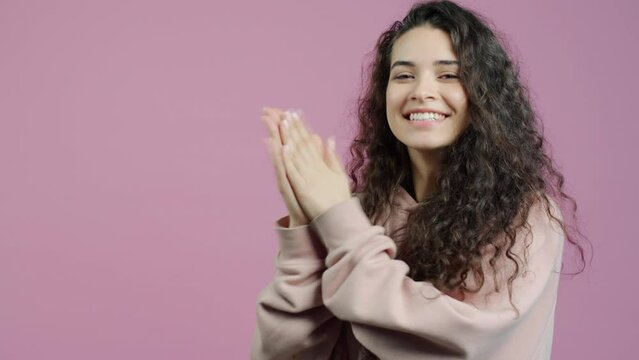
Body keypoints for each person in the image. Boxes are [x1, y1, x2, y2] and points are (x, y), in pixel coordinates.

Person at [251, 0, 587, 359]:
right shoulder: (359, 214)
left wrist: (337, 219)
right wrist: (305, 232)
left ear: (485, 96)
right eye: (404, 75)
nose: (421, 91)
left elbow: (463, 346)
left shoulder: (525, 216)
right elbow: (283, 354)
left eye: (448, 75)